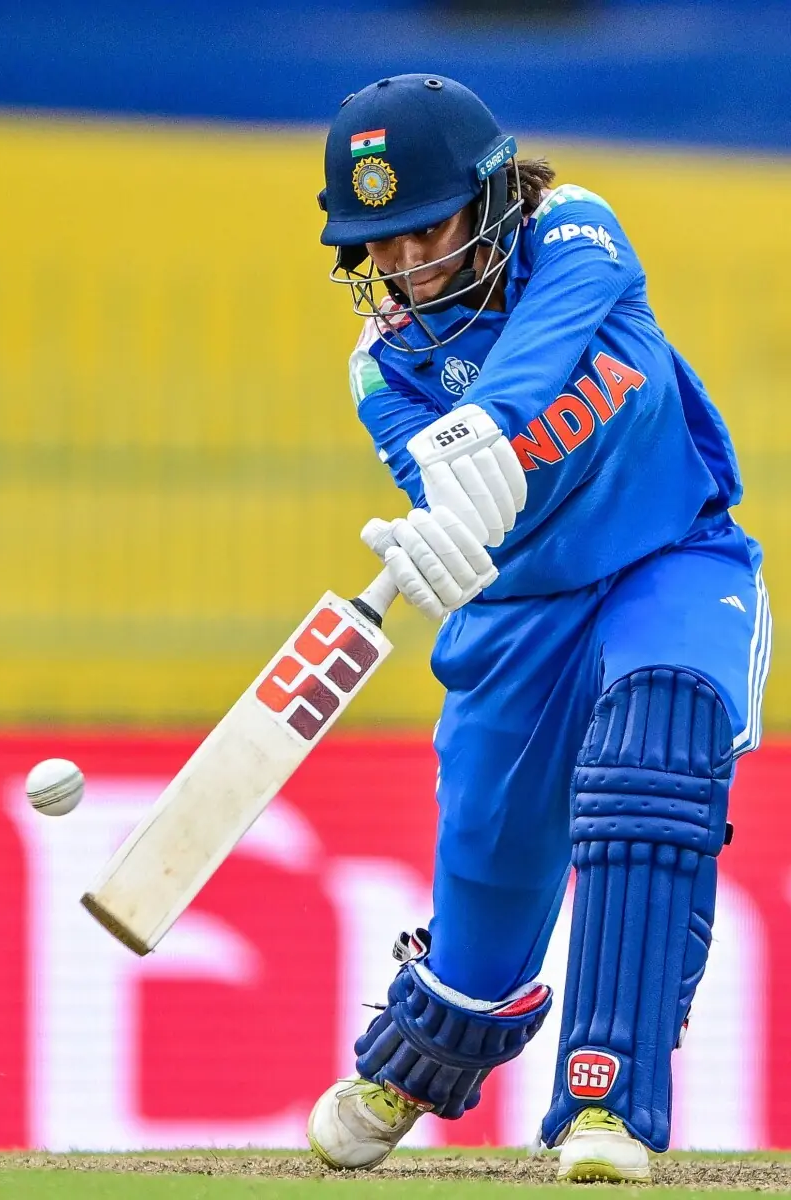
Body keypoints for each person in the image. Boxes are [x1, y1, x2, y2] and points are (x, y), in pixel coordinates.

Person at [306, 74, 771, 1182]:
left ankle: (603, 1104)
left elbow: (538, 354)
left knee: (651, 761)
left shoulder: (577, 233)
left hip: (670, 557)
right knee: (486, 885)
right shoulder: (382, 370)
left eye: (424, 228)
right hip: (518, 618)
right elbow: (452, 492)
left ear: (490, 200)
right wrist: (436, 532)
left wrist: (483, 435)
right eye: (376, 245)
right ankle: (421, 1054)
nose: (404, 265)